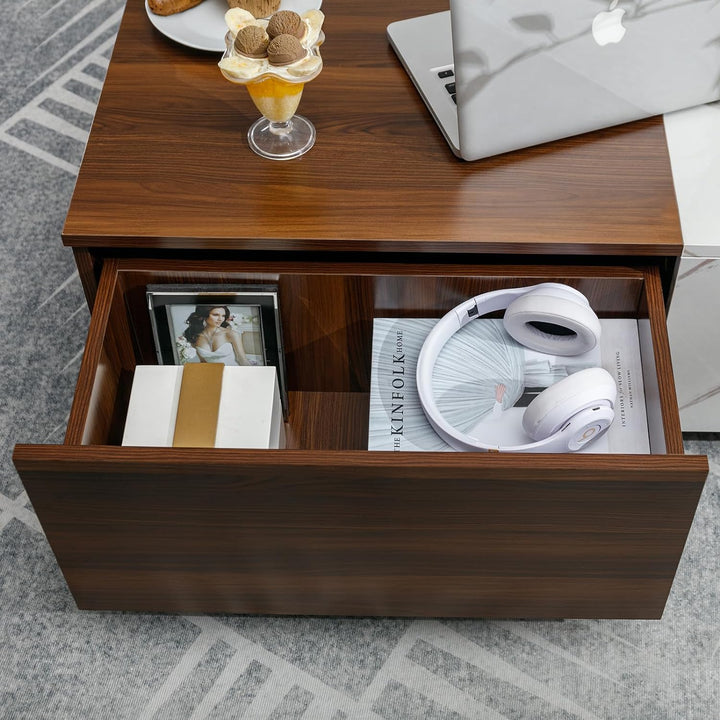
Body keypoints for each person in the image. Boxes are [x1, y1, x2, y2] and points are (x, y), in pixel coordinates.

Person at [183, 305, 251, 366]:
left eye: (223, 316)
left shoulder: (231, 334)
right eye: (216, 315)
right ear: (204, 315)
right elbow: (203, 362)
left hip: (233, 374)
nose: (220, 319)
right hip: (213, 375)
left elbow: (242, 360)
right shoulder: (195, 336)